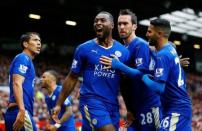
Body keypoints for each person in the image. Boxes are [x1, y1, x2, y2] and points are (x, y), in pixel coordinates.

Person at [100, 18, 192, 131]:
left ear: (159, 34)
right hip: (172, 107)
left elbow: (159, 88)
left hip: (175, 108)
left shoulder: (163, 55)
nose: (146, 34)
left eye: (150, 31)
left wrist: (143, 76)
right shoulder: (168, 51)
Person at [52, 11, 130, 131]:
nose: (98, 23)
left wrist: (129, 109)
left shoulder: (123, 52)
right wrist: (59, 103)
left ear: (112, 25)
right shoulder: (84, 49)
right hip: (91, 101)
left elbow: (124, 83)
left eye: (102, 20)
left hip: (112, 105)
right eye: (96, 21)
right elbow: (72, 77)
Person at [117, 9, 162, 131]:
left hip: (149, 105)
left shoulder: (140, 45)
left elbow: (141, 74)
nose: (121, 27)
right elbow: (125, 82)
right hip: (135, 108)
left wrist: (119, 66)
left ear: (134, 26)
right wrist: (129, 109)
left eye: (125, 23)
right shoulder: (122, 49)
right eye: (119, 24)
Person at [4, 32, 41, 131]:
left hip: (17, 111)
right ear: (25, 44)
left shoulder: (27, 60)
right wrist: (21, 110)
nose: (39, 43)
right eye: (35, 40)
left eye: (39, 41)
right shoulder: (23, 58)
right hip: (19, 111)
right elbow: (17, 83)